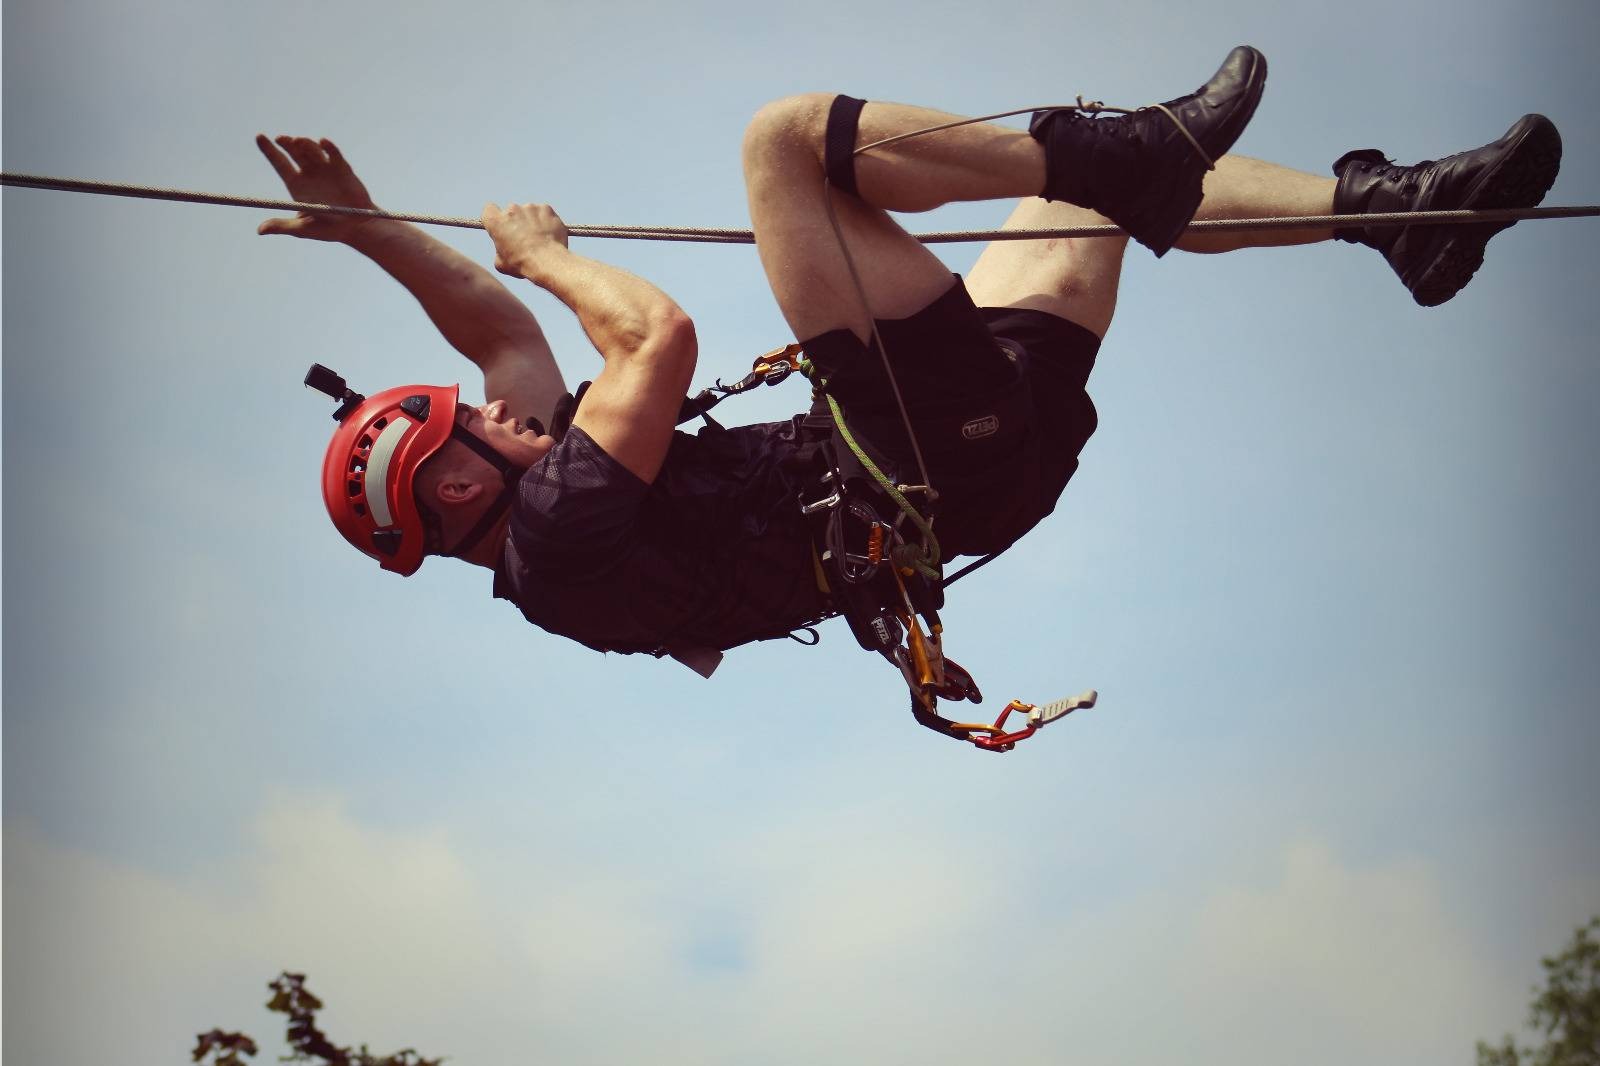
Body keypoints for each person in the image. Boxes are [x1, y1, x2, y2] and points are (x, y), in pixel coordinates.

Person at [268, 46, 1561, 683]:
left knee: (1079, 210)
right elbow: (652, 336)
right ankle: (1120, 151)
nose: (504, 411)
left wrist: (367, 228)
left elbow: (496, 337)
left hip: (964, 471)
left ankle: (1398, 216)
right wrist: (551, 257)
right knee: (785, 143)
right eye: (476, 425)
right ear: (454, 488)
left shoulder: (544, 520)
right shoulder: (560, 529)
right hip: (918, 456)